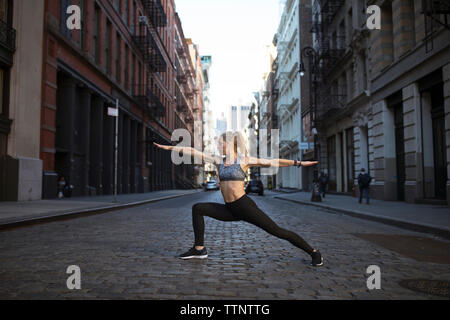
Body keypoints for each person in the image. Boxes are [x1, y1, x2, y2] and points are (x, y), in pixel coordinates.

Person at [154, 131, 324, 267]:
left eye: (221, 143)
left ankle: (314, 252)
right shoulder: (217, 160)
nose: (218, 146)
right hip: (229, 209)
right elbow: (193, 152)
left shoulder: (243, 160)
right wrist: (170, 148)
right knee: (198, 208)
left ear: (230, 144)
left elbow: (273, 162)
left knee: (277, 231)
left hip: (245, 207)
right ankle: (199, 249)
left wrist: (299, 163)